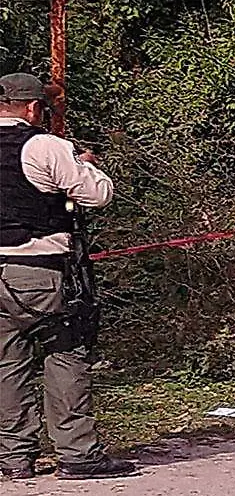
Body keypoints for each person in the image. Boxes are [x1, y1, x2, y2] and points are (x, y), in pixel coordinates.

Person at [0, 73, 136, 481]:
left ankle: (13, 457)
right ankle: (78, 453)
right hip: (39, 268)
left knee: (7, 364)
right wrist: (85, 166)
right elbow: (98, 195)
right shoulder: (45, 146)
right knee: (67, 354)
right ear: (32, 108)